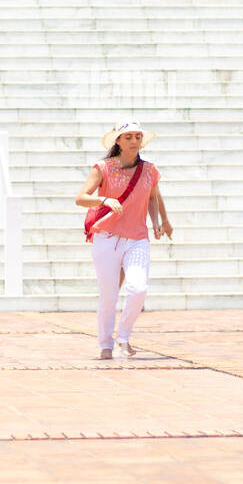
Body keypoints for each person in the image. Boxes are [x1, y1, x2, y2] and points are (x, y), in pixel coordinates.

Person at [74, 120, 173, 360]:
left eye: (137, 137)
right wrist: (104, 200)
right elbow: (81, 198)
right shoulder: (103, 168)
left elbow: (153, 198)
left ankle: (124, 338)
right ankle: (106, 343)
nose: (134, 141)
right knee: (108, 296)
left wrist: (158, 221)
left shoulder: (149, 170)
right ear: (117, 141)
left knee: (138, 288)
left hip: (137, 238)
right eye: (128, 137)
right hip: (106, 238)